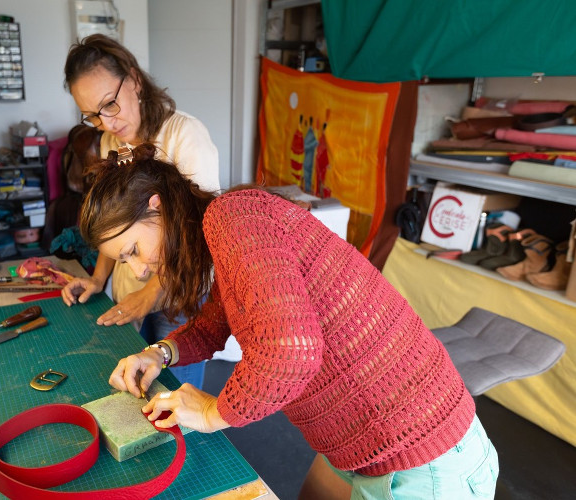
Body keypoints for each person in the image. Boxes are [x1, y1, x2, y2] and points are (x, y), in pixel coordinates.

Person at [79, 143, 500, 500]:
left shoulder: (231, 219)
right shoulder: (223, 233)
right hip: (368, 446)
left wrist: (214, 412)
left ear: (157, 206)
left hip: (421, 455)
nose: (136, 271)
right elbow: (213, 325)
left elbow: (291, 352)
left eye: (132, 249)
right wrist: (160, 353)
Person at [60, 34, 220, 388]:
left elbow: (198, 242)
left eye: (110, 105)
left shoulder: (184, 136)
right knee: (133, 395)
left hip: (177, 297)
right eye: (92, 116)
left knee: (179, 401)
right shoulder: (108, 143)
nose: (106, 123)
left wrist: (146, 299)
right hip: (130, 292)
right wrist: (98, 279)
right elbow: (110, 227)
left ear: (134, 81)